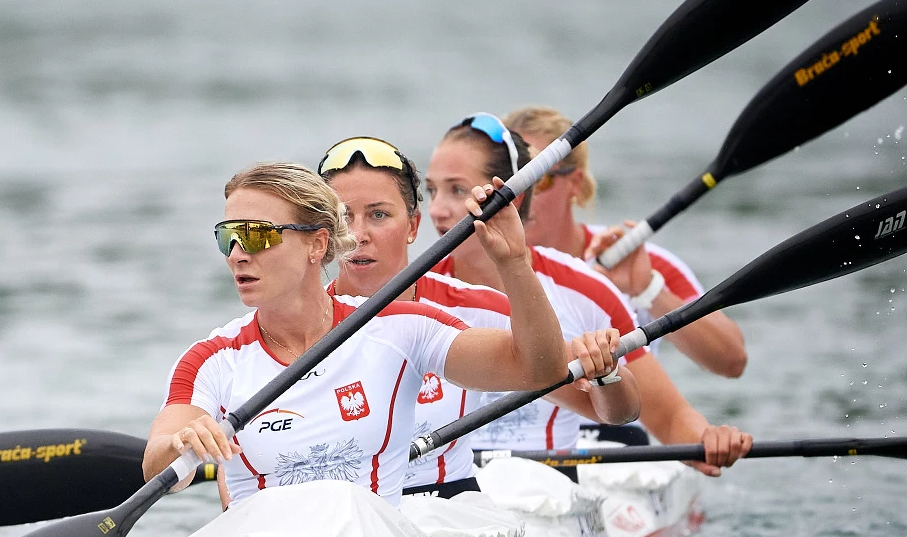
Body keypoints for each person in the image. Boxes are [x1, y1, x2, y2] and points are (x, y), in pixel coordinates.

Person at [143, 162, 595, 509]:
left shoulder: (398, 329)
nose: (238, 254)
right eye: (229, 237)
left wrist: (514, 263)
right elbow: (157, 469)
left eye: (258, 235)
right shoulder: (211, 359)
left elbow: (541, 370)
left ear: (317, 245)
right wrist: (180, 446)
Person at [425, 113, 752, 475]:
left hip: (560, 483)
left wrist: (702, 441)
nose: (436, 211)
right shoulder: (412, 294)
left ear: (509, 196)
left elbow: (665, 412)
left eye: (456, 189)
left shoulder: (589, 288)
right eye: (430, 191)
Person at [317, 136, 640, 497]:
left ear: (412, 226)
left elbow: (617, 414)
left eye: (379, 215)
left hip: (448, 518)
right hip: (350, 523)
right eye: (344, 217)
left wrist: (606, 373)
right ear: (324, 233)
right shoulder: (290, 327)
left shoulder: (478, 309)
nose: (359, 235)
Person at [505, 105, 748, 379]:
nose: (521, 195)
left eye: (538, 178)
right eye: (511, 179)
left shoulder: (635, 261)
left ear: (574, 183)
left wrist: (647, 291)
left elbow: (732, 360)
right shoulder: (472, 264)